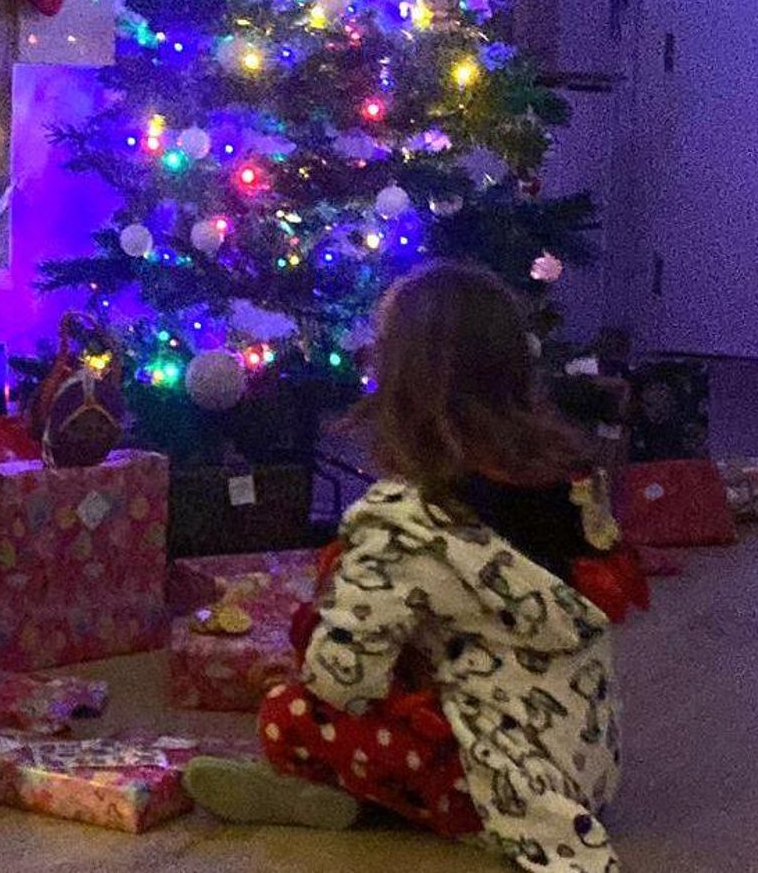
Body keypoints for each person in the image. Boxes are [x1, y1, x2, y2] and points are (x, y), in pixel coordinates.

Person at [184, 263, 645, 872]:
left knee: (288, 715)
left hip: (499, 785)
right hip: (588, 766)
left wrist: (299, 675)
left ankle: (339, 791)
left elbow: (345, 678)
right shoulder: (568, 483)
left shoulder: (405, 522)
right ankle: (344, 797)